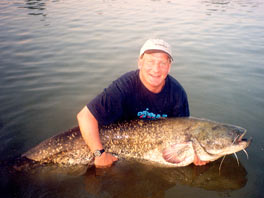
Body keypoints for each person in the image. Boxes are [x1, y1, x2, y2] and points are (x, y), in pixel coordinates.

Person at [77, 39, 208, 168]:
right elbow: (85, 116)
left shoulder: (177, 94)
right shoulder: (124, 86)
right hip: (110, 144)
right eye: (150, 61)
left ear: (169, 67)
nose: (156, 69)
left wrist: (194, 155)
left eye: (162, 63)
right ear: (140, 63)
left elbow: (182, 137)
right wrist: (99, 154)